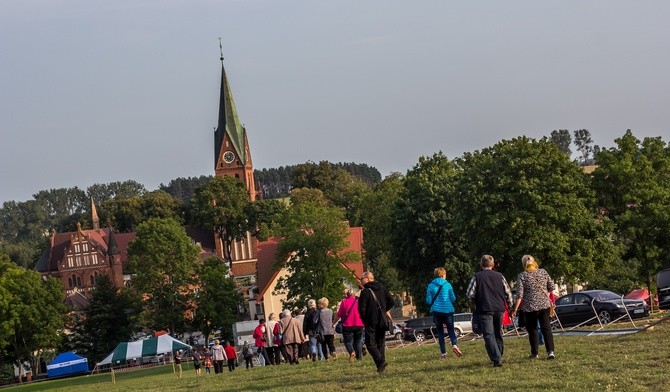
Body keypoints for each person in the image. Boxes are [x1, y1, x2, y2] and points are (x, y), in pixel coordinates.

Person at [466, 255, 513, 367]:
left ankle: (497, 358)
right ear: (493, 264)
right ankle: (498, 355)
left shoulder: (477, 276)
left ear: (481, 264)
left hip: (484, 308)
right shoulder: (500, 276)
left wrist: (474, 302)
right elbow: (508, 292)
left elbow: (469, 294)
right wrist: (510, 306)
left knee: (488, 334)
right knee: (498, 333)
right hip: (499, 308)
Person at [511, 255, 556, 360]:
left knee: (533, 330)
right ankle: (550, 351)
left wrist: (515, 309)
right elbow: (551, 287)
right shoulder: (543, 272)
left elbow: (519, 295)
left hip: (529, 307)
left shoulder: (522, 276)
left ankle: (535, 353)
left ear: (523, 264)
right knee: (546, 328)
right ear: (534, 262)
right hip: (544, 305)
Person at [358, 271, 394, 374]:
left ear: (368, 279)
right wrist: (383, 310)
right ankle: (380, 366)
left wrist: (365, 319)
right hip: (382, 320)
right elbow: (391, 301)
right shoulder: (382, 288)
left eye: (362, 279)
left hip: (371, 321)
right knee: (380, 343)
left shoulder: (365, 291)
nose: (361, 281)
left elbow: (362, 309)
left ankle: (380, 361)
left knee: (370, 344)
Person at [426, 267, 462, 360]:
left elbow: (429, 301)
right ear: (443, 275)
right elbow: (453, 298)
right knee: (450, 330)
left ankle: (443, 354)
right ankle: (454, 345)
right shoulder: (448, 285)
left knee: (440, 332)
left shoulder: (430, 286)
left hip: (436, 311)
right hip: (448, 311)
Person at [333, 288, 364, 363]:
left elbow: (338, 315)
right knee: (358, 341)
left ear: (346, 295)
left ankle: (351, 352)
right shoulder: (358, 302)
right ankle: (359, 357)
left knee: (348, 341)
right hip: (359, 324)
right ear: (354, 294)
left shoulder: (344, 302)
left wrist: (333, 323)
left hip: (348, 325)